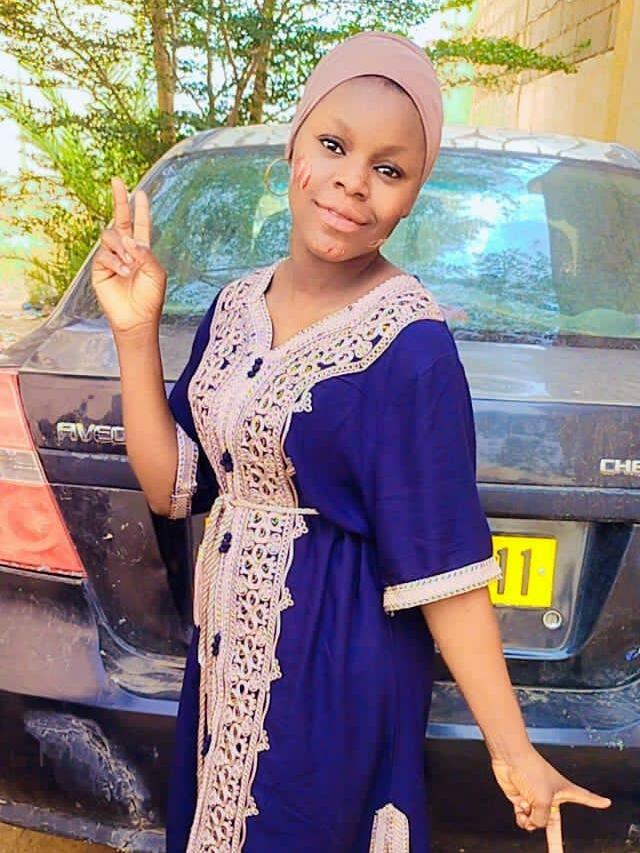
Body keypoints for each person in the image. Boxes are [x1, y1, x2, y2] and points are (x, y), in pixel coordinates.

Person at [91, 30, 611, 853]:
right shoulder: (234, 308)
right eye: (334, 145)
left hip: (338, 677)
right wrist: (135, 333)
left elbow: (446, 568)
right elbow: (173, 486)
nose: (353, 182)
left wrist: (513, 751)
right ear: (295, 147)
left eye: (389, 169)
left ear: (412, 197)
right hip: (225, 660)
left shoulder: (410, 346)